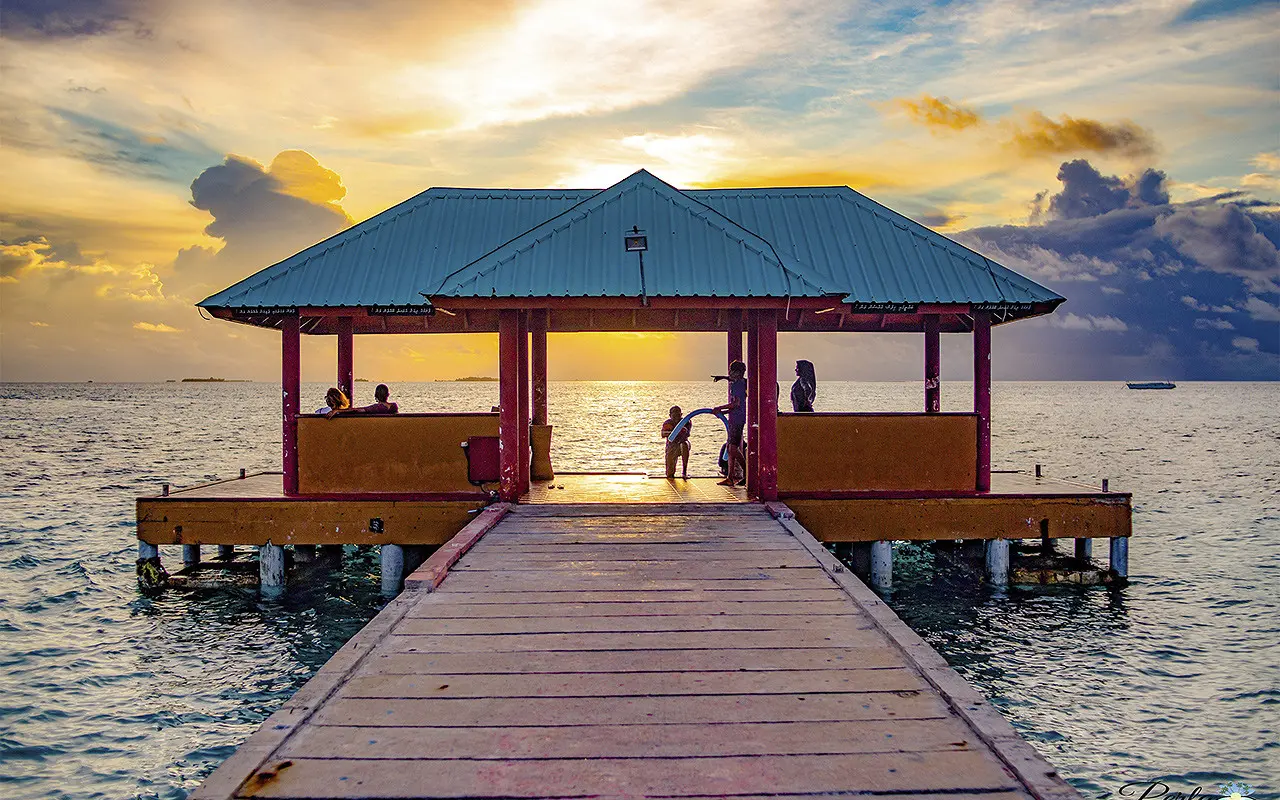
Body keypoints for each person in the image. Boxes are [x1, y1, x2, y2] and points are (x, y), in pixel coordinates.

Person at [712, 360, 747, 487]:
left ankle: (747, 472)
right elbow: (737, 406)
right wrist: (722, 378)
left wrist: (719, 408)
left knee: (732, 448)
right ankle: (730, 477)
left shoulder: (736, 385)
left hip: (737, 420)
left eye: (731, 370)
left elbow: (736, 404)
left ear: (736, 372)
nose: (729, 373)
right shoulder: (743, 382)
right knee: (730, 448)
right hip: (737, 418)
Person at [661, 405, 691, 480]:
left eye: (678, 414)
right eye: (674, 415)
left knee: (684, 445)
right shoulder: (667, 423)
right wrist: (674, 432)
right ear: (670, 415)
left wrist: (681, 431)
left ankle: (684, 472)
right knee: (670, 472)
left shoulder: (686, 422)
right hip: (671, 445)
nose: (676, 417)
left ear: (681, 414)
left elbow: (686, 433)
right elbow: (663, 434)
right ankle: (670, 475)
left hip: (682, 442)